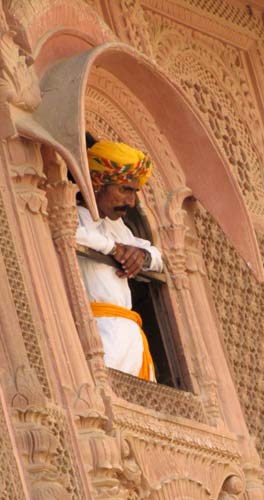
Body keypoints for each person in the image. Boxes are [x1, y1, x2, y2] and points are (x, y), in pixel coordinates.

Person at [76, 140, 163, 382]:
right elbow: (71, 232)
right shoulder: (74, 216)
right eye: (124, 190)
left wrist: (142, 256)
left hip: (130, 337)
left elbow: (159, 257)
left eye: (134, 192)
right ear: (96, 184)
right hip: (99, 333)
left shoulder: (119, 227)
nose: (131, 202)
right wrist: (113, 249)